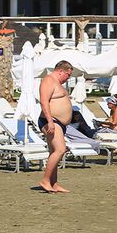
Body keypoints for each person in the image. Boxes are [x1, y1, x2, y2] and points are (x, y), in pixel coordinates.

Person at [37, 60, 73, 193]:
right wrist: (50, 121)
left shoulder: (57, 83)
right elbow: (44, 101)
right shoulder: (48, 80)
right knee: (60, 150)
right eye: (68, 75)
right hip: (51, 121)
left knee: (55, 152)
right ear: (61, 71)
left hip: (59, 123)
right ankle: (45, 180)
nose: (68, 78)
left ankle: (54, 183)